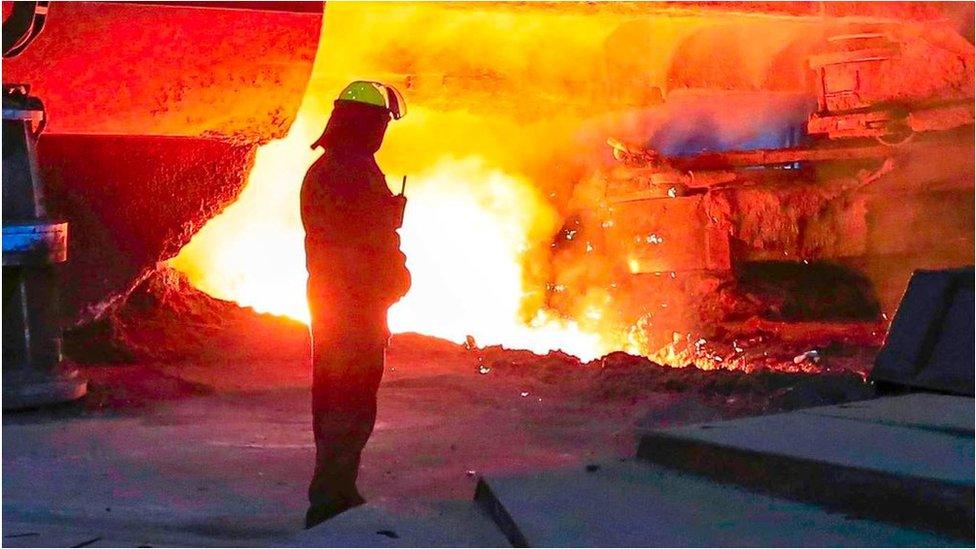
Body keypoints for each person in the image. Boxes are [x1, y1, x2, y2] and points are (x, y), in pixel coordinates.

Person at [300, 81, 410, 528]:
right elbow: (363, 245)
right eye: (380, 123)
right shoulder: (355, 172)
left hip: (332, 301)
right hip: (354, 306)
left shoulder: (328, 168)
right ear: (367, 124)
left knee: (333, 397)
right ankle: (333, 499)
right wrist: (396, 275)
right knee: (350, 398)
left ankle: (334, 489)